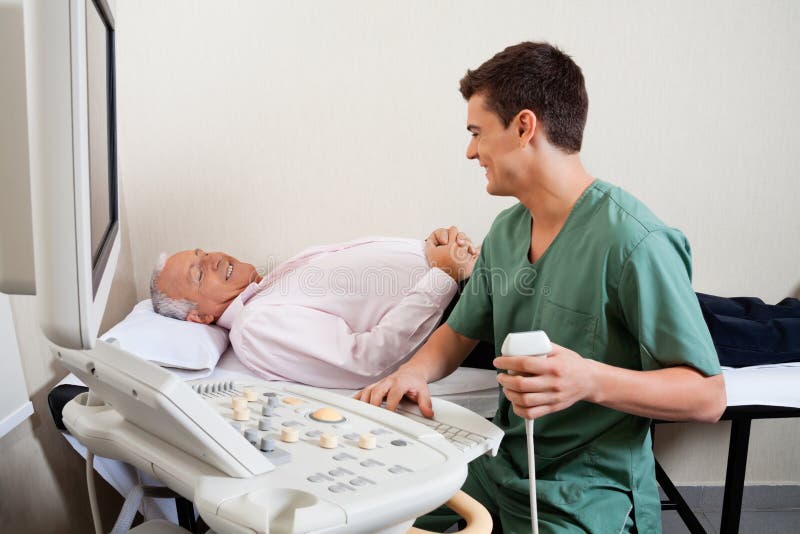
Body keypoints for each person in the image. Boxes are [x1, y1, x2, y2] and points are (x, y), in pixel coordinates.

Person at [355, 42, 726, 533]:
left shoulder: (635, 242)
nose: (470, 150)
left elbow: (708, 396)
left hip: (588, 489)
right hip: (503, 466)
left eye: (477, 132)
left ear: (524, 127)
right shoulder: (508, 231)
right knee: (369, 510)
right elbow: (459, 333)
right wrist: (414, 373)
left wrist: (588, 380)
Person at [150, 229, 477, 388]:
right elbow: (366, 360)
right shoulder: (255, 327)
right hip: (459, 315)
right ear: (201, 317)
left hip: (465, 278)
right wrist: (442, 274)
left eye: (201, 253)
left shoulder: (265, 291)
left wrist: (429, 248)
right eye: (199, 272)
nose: (211, 259)